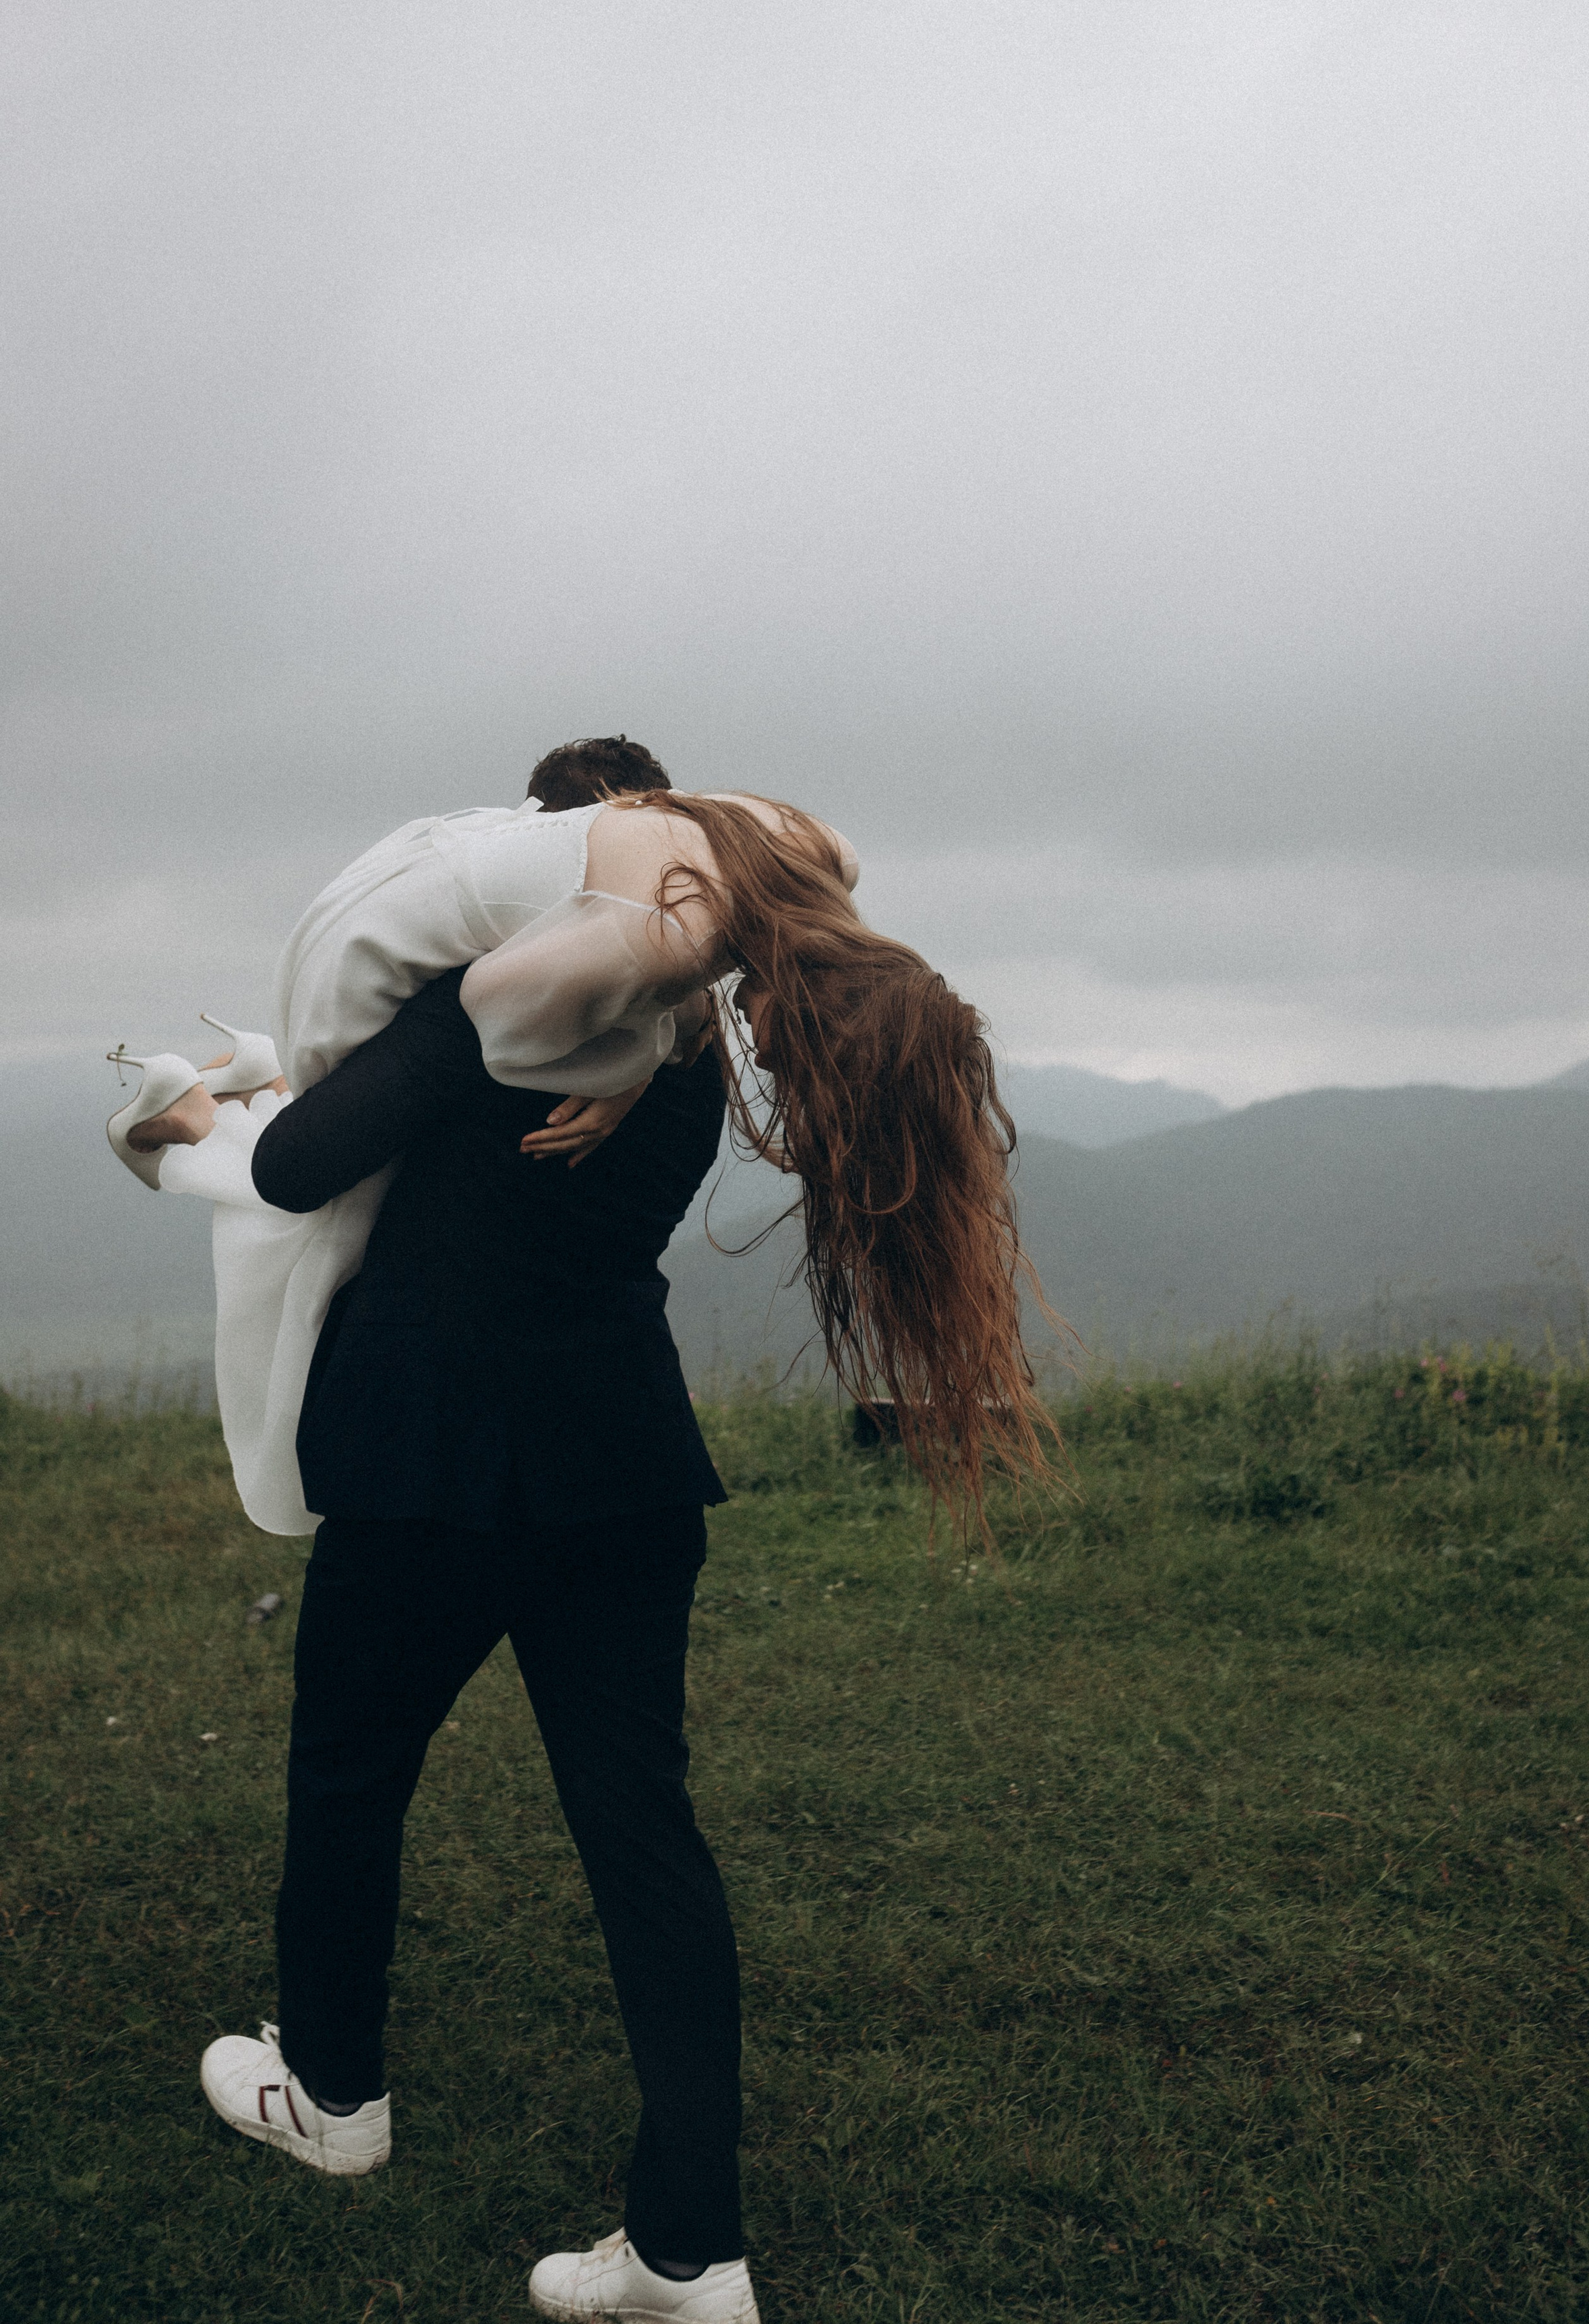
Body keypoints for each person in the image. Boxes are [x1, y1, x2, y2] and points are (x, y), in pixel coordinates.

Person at [109, 748, 1058, 2320]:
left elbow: (294, 1168)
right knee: (642, 1838)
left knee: (347, 1779)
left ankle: (332, 2099)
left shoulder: (478, 1000)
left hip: (422, 1457)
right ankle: (692, 2254)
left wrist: (197, 1117)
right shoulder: (691, 1050)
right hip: (620, 1458)